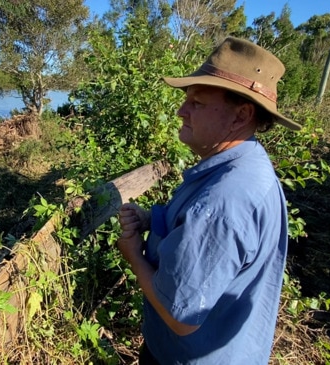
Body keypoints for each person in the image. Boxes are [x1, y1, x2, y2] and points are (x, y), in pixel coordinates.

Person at [116, 36, 302, 364]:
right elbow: (201, 234)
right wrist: (152, 221)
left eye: (197, 103)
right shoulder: (246, 164)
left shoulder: (222, 200)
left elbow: (180, 317)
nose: (181, 111)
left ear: (240, 115)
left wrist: (133, 256)